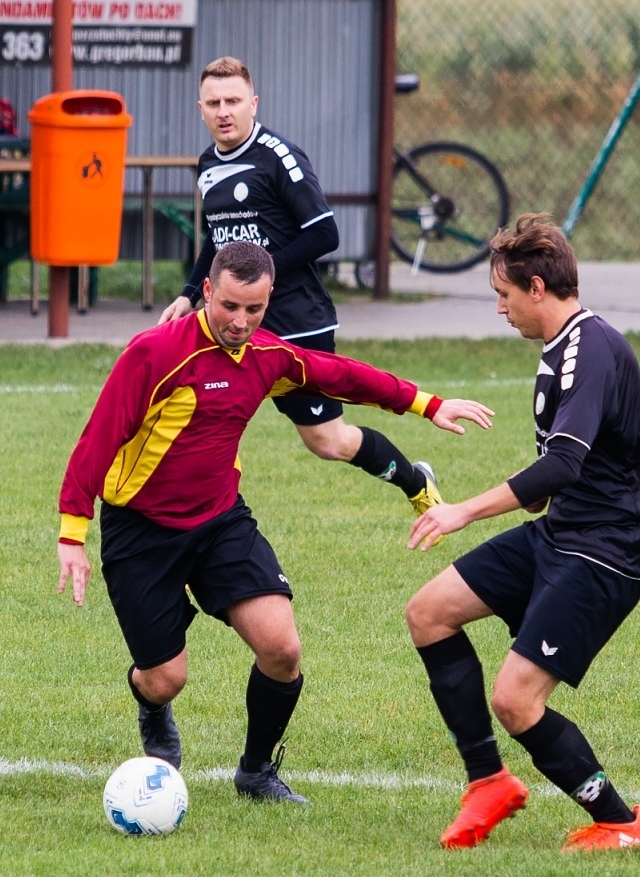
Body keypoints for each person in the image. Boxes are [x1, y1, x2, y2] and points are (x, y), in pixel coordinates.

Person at [60, 242, 493, 802]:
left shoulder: (267, 356)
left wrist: (426, 403)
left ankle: (256, 772)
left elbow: (340, 375)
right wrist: (73, 533)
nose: (241, 322)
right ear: (208, 292)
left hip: (220, 523)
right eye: (231, 307)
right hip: (140, 529)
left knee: (282, 648)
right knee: (166, 678)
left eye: (255, 310)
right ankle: (151, 705)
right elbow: (97, 442)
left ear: (269, 302)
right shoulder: (155, 353)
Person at [404, 214, 640, 852]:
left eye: (504, 294)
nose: (500, 308)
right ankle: (487, 780)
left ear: (538, 287)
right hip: (563, 531)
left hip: (607, 550)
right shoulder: (560, 350)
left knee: (516, 701)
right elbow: (562, 473)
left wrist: (463, 510)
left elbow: (565, 463)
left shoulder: (590, 348)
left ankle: (622, 824)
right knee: (429, 612)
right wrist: (533, 493)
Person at [159, 56, 444, 516]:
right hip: (233, 323)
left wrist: (261, 274)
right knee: (199, 412)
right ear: (201, 108)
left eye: (233, 100)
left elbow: (324, 234)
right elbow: (218, 237)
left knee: (327, 441)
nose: (224, 110)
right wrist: (188, 293)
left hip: (296, 322)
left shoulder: (278, 156)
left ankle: (417, 482)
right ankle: (200, 516)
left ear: (254, 103)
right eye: (214, 102)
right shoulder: (208, 163)